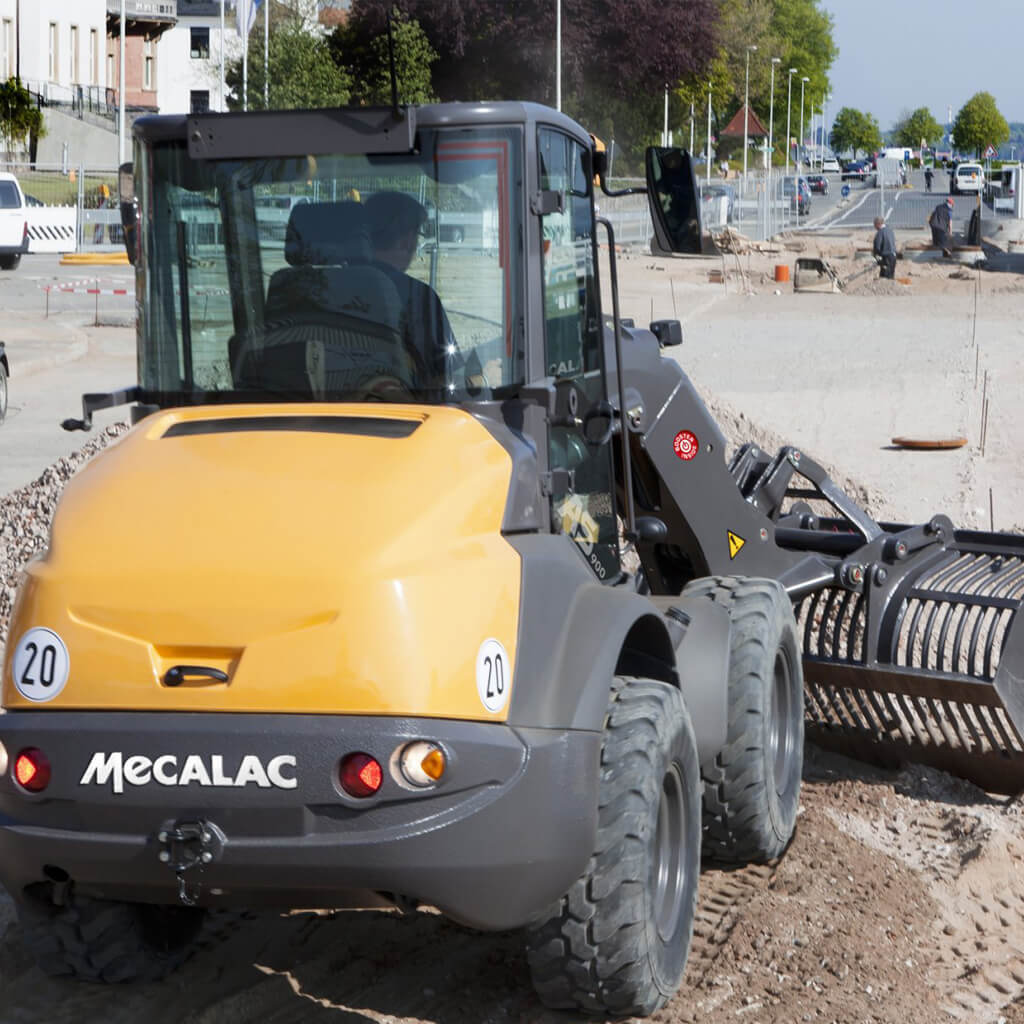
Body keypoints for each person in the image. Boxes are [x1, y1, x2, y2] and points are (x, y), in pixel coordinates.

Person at [363, 191, 461, 392]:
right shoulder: (420, 297)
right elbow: (447, 378)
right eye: (417, 234)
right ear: (407, 240)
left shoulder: (323, 289)